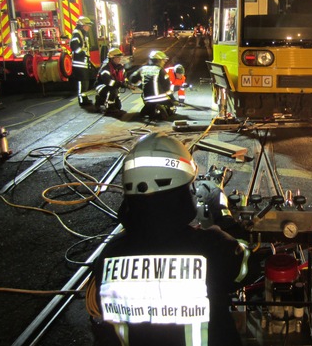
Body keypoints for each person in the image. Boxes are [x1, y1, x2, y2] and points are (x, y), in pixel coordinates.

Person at [87, 133, 249, 346]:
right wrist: (224, 218)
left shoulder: (109, 255)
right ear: (184, 191)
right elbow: (245, 269)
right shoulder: (211, 246)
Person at [128, 50, 176, 119]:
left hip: (147, 98)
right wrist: (172, 98)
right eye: (163, 61)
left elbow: (132, 79)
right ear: (158, 61)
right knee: (171, 107)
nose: (164, 62)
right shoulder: (160, 70)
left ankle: (148, 109)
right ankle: (161, 109)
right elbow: (167, 86)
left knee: (149, 103)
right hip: (161, 98)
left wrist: (141, 86)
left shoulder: (142, 69)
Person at [70, 15, 94, 107]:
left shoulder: (82, 33)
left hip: (83, 62)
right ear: (82, 25)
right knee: (82, 81)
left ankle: (84, 97)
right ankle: (81, 99)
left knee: (85, 81)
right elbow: (74, 46)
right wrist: (82, 53)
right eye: (87, 25)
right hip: (79, 63)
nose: (88, 27)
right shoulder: (77, 33)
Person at [94, 48, 127, 115]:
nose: (120, 59)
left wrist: (126, 83)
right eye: (118, 57)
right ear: (112, 58)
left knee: (118, 106)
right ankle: (109, 107)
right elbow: (109, 82)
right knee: (113, 90)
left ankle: (101, 101)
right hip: (101, 86)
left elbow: (123, 78)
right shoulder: (105, 67)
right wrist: (120, 84)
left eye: (120, 57)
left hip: (111, 86)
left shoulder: (118, 67)